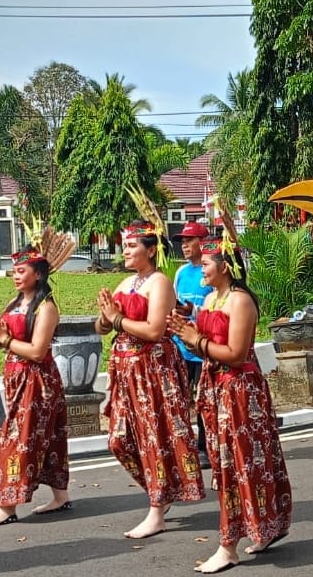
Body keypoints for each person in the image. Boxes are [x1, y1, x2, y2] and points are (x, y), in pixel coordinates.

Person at [168, 237, 292, 573]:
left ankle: (228, 547)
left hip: (239, 393)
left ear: (225, 266)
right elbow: (207, 335)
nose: (202, 269)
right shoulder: (212, 298)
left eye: (207, 263)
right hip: (216, 392)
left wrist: (197, 340)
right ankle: (263, 530)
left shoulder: (240, 302)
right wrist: (188, 327)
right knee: (233, 466)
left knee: (238, 467)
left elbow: (235, 354)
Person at [96, 219, 205, 539]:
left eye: (132, 246)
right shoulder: (127, 283)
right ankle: (162, 490)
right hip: (125, 371)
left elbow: (156, 331)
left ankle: (157, 508)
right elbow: (101, 328)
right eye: (125, 245)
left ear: (151, 250)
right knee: (120, 439)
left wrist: (118, 319)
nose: (125, 251)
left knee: (154, 437)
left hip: (153, 370)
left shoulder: (159, 283)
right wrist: (105, 319)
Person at [0, 245, 71, 526]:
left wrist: (5, 341)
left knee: (18, 441)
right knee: (49, 437)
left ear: (38, 275)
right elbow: (3, 342)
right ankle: (61, 496)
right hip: (17, 378)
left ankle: (7, 507)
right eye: (14, 271)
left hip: (37, 382)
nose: (15, 276)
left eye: (21, 271)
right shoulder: (16, 304)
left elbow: (38, 352)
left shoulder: (46, 307)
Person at [171, 220, 213, 462]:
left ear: (203, 243)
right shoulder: (181, 272)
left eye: (189, 241)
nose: (185, 246)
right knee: (179, 397)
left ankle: (204, 447)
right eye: (183, 242)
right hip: (181, 346)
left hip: (204, 345)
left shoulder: (211, 270)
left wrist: (193, 311)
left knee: (203, 399)